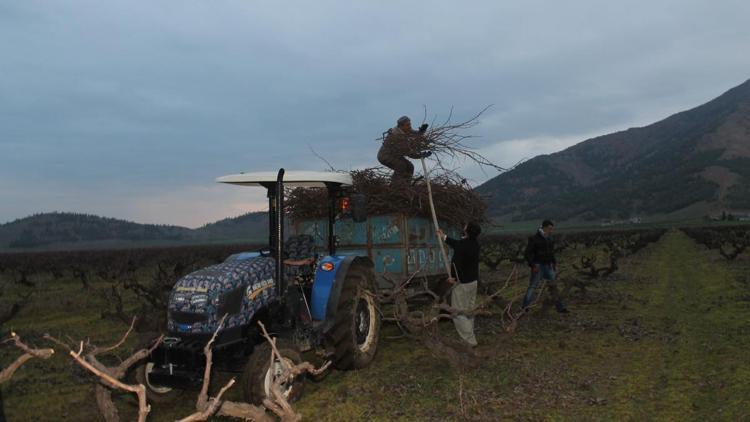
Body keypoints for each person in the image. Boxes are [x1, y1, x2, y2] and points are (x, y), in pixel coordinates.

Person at [437, 222, 481, 347]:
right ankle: (470, 336)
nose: (464, 227)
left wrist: (454, 278)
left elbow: (457, 264)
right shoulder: (475, 244)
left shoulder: (463, 245)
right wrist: (444, 237)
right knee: (469, 310)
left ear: (467, 231)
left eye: (466, 226)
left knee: (458, 312)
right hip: (473, 282)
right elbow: (457, 244)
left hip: (462, 284)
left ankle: (469, 341)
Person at [521, 220, 568, 313]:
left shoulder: (549, 239)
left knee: (553, 286)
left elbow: (551, 253)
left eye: (552, 229)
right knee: (533, 287)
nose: (551, 231)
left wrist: (554, 263)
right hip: (538, 266)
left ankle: (560, 308)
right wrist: (533, 265)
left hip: (548, 266)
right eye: (550, 229)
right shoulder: (534, 239)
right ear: (544, 227)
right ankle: (524, 307)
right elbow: (527, 253)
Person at [377, 115, 431, 185]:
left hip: (394, 155)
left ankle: (406, 186)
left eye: (410, 124)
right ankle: (395, 187)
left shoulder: (405, 129)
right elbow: (408, 152)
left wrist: (421, 131)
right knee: (401, 166)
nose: (410, 126)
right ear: (401, 126)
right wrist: (420, 155)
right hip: (385, 156)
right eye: (408, 125)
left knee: (410, 167)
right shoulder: (397, 136)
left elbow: (413, 133)